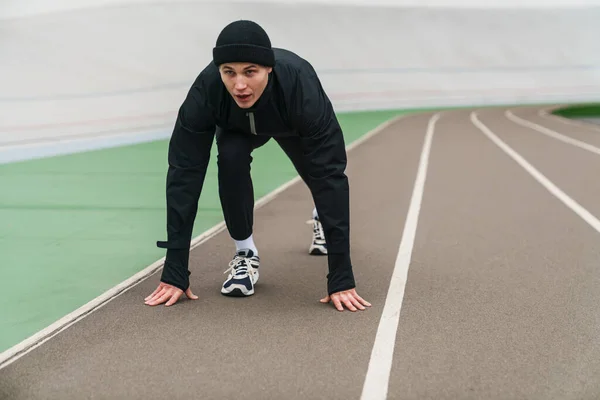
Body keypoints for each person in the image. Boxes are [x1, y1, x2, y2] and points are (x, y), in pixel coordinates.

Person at [144, 20, 371, 312]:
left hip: (290, 123)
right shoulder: (206, 91)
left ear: (269, 68)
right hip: (236, 127)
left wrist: (341, 276)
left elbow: (331, 174)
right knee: (230, 158)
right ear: (219, 71)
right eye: (229, 72)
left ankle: (321, 219)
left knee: (319, 178)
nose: (239, 85)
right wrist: (175, 266)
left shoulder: (301, 87)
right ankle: (245, 254)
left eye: (250, 72)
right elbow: (183, 173)